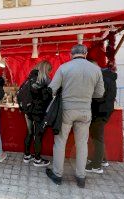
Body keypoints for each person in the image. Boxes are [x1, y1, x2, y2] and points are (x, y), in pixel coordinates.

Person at [46, 44, 105, 188]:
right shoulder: (96, 69)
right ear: (85, 53)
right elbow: (99, 94)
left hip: (66, 110)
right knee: (82, 144)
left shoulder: (64, 68)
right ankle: (81, 177)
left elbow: (51, 89)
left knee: (60, 142)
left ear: (71, 54)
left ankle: (58, 175)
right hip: (85, 110)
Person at [86, 64, 117, 174]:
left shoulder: (103, 79)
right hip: (106, 111)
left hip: (100, 112)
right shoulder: (111, 79)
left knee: (97, 138)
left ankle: (96, 165)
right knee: (98, 136)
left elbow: (99, 97)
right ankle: (102, 160)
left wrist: (90, 97)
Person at [23, 60, 53, 167]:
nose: (50, 72)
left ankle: (27, 156)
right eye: (49, 70)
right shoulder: (46, 81)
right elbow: (48, 98)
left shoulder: (30, 78)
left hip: (28, 111)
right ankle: (37, 159)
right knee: (38, 135)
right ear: (46, 69)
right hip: (39, 112)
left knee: (30, 132)